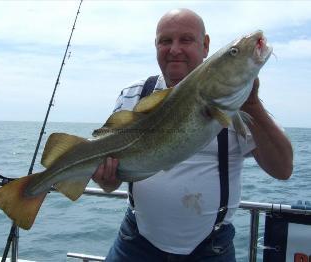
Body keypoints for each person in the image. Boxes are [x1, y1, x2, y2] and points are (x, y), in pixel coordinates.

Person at [92, 8, 293, 262]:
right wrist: (107, 179)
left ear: (205, 45)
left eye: (185, 40)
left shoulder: (239, 103)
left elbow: (283, 169)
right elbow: (112, 182)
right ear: (156, 46)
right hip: (135, 242)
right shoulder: (133, 95)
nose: (174, 49)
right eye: (165, 41)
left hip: (211, 250)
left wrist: (252, 105)